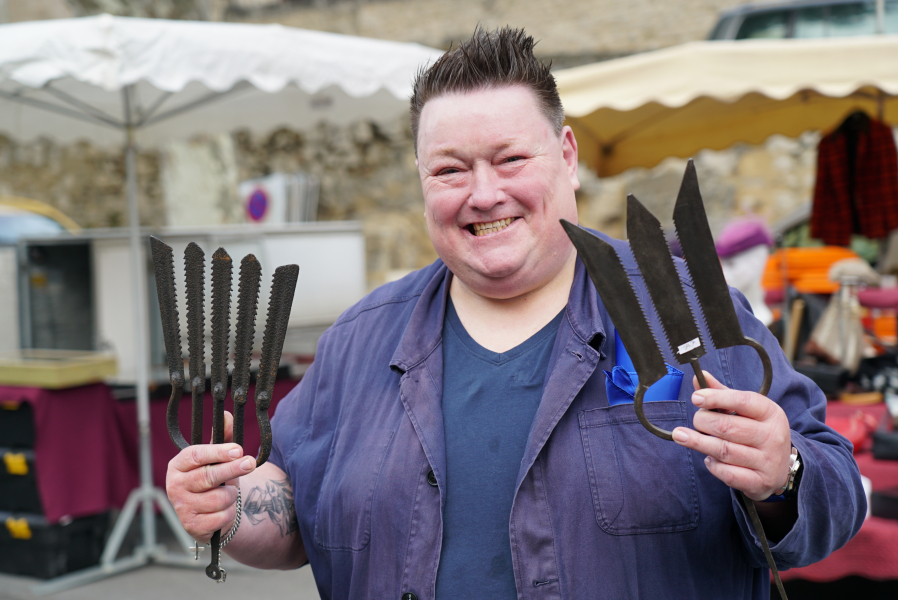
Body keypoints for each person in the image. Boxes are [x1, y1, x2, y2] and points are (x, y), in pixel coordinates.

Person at [166, 27, 865, 599]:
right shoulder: (360, 339)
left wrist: (784, 474)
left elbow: (836, 489)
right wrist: (231, 506)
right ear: (421, 180)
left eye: (509, 160)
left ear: (567, 156)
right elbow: (295, 507)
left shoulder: (682, 307)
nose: (483, 194)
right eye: (450, 170)